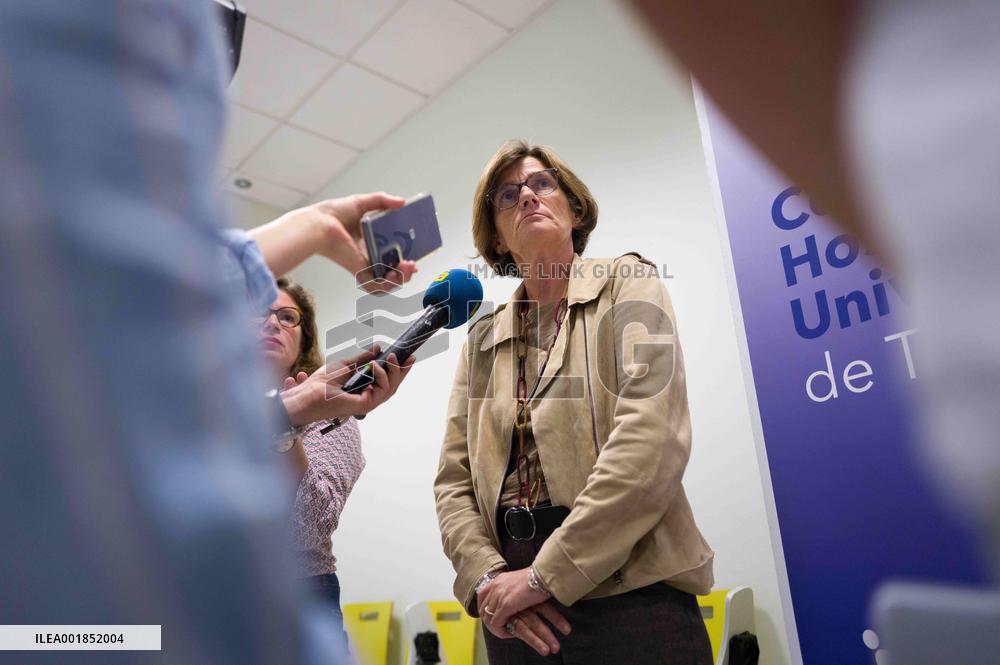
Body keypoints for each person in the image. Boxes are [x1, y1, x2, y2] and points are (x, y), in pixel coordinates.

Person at [434, 140, 715, 664]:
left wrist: (548, 575)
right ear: (495, 239)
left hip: (630, 583)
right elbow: (453, 480)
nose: (528, 197)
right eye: (508, 195)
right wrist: (488, 577)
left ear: (574, 206)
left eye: (543, 183)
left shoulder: (629, 284)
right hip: (512, 606)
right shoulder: (482, 341)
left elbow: (649, 444)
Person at [258, 277, 413, 648]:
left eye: (287, 316)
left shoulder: (329, 411)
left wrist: (287, 425)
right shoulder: (201, 410)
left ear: (304, 337)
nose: (271, 323)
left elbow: (310, 524)